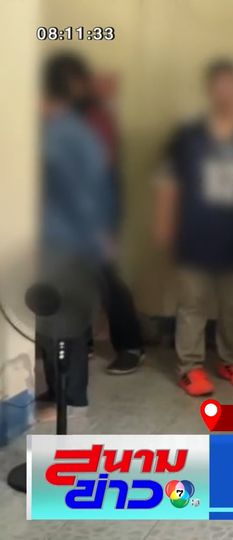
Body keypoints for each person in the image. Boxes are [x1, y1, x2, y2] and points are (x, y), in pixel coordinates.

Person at [155, 58, 233, 396]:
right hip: (193, 234)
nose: (226, 92)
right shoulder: (188, 136)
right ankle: (190, 367)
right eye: (219, 86)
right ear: (210, 90)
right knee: (192, 304)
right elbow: (167, 181)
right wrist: (164, 224)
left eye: (232, 85)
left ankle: (230, 360)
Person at [37, 52, 113, 416]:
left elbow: (83, 195)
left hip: (66, 243)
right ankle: (60, 392)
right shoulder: (69, 132)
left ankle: (70, 399)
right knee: (54, 322)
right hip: (65, 242)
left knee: (62, 324)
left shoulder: (63, 135)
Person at [62, 55, 146, 375]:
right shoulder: (68, 115)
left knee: (105, 276)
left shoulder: (96, 115)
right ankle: (80, 344)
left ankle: (131, 346)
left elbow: (100, 166)